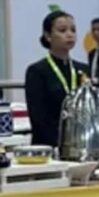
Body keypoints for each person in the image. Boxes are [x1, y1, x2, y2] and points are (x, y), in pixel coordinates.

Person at [25, 11, 88, 148]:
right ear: (48, 36)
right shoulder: (37, 71)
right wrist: (63, 143)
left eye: (73, 30)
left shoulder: (83, 70)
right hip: (49, 146)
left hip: (81, 145)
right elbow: (39, 118)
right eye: (62, 30)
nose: (70, 34)